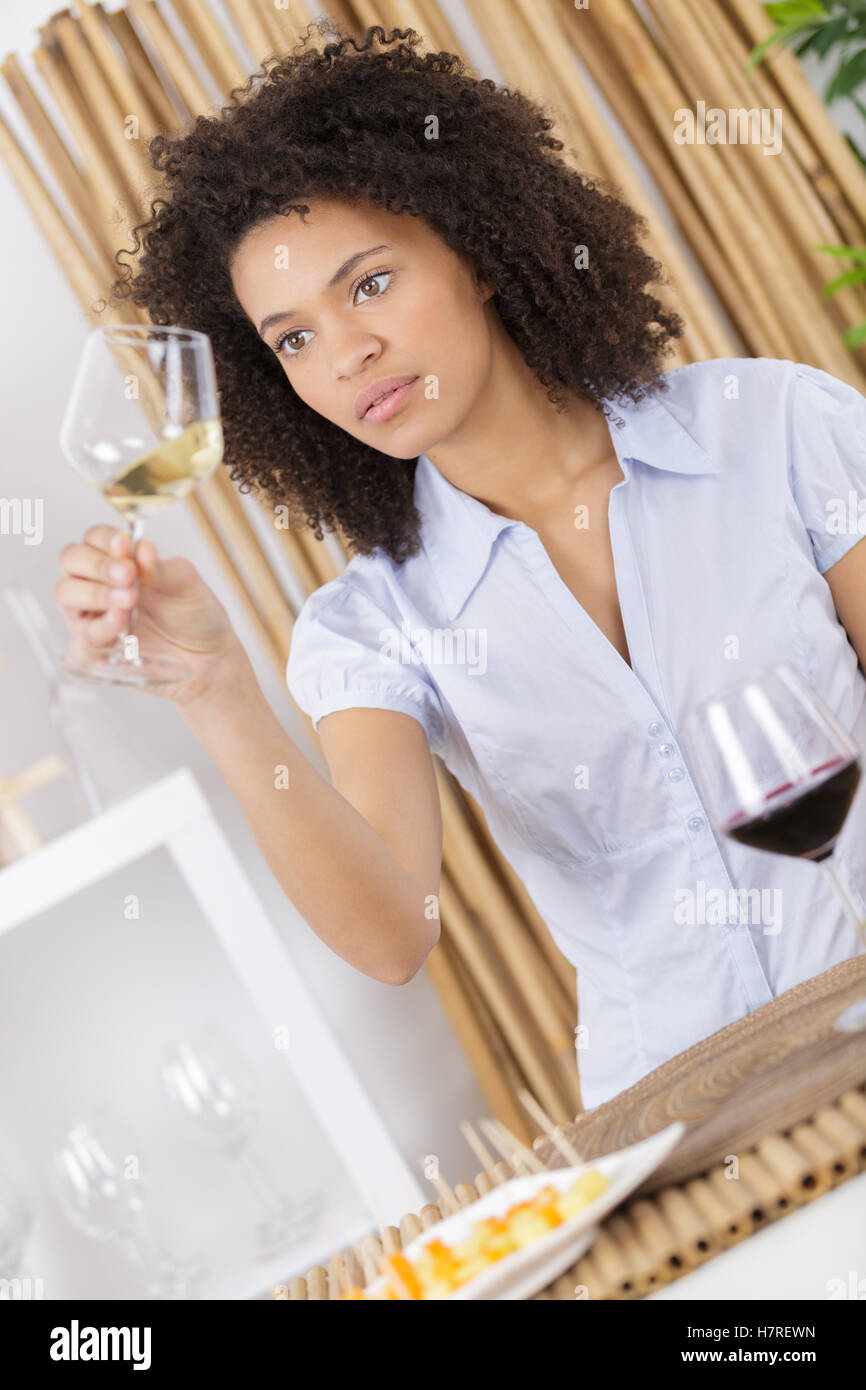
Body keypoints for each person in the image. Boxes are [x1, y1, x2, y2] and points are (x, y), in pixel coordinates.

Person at [54, 21, 866, 1110]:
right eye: (291, 339)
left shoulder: (770, 429)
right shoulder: (374, 625)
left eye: (370, 285)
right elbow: (394, 936)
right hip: (675, 1130)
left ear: (475, 249)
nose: (345, 354)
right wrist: (215, 691)